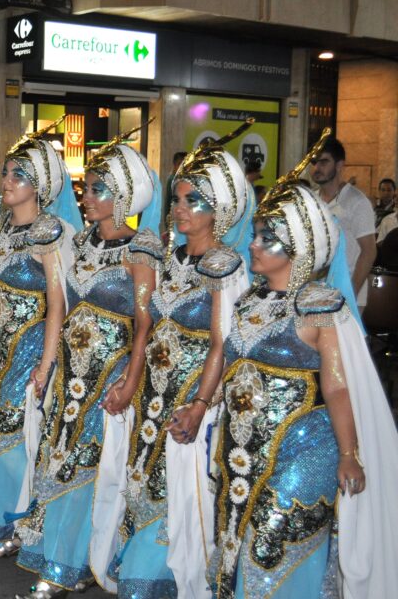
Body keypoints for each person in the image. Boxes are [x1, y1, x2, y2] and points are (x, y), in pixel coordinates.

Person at [209, 133, 398, 598]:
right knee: (234, 548)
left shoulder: (319, 306)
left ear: (297, 245)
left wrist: (350, 453)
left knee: (270, 552)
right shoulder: (250, 300)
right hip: (241, 451)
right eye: (255, 234)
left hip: (303, 453)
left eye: (267, 238)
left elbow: (337, 387)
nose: (254, 245)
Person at [108, 123, 254, 598]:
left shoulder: (225, 265)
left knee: (183, 497)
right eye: (178, 199)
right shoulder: (172, 260)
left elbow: (222, 343)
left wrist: (200, 403)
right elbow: (146, 325)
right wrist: (136, 382)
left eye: (195, 201)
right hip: (155, 393)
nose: (181, 208)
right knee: (143, 482)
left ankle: (159, 583)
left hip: (193, 401)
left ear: (221, 211)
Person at [15, 136, 162, 598]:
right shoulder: (78, 243)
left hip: (110, 376)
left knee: (91, 465)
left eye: (99, 189)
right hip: (71, 374)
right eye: (87, 187)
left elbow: (145, 324)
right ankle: (62, 556)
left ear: (123, 198)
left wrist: (132, 378)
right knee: (58, 454)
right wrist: (49, 364)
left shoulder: (142, 250)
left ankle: (72, 563)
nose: (88, 196)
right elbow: (59, 305)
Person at [0, 127, 81, 560]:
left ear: (41, 186)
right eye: (6, 172)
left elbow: (57, 304)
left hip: (26, 352)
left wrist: (47, 364)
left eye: (18, 175)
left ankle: (16, 521)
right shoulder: (1, 227)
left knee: (16, 431)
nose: (6, 181)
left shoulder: (51, 233)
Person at [311, 137, 376, 310]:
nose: (317, 168)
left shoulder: (357, 202)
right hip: (315, 292)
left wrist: (349, 295)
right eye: (314, 162)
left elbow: (369, 252)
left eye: (324, 162)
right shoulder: (312, 200)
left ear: (340, 165)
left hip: (346, 293)